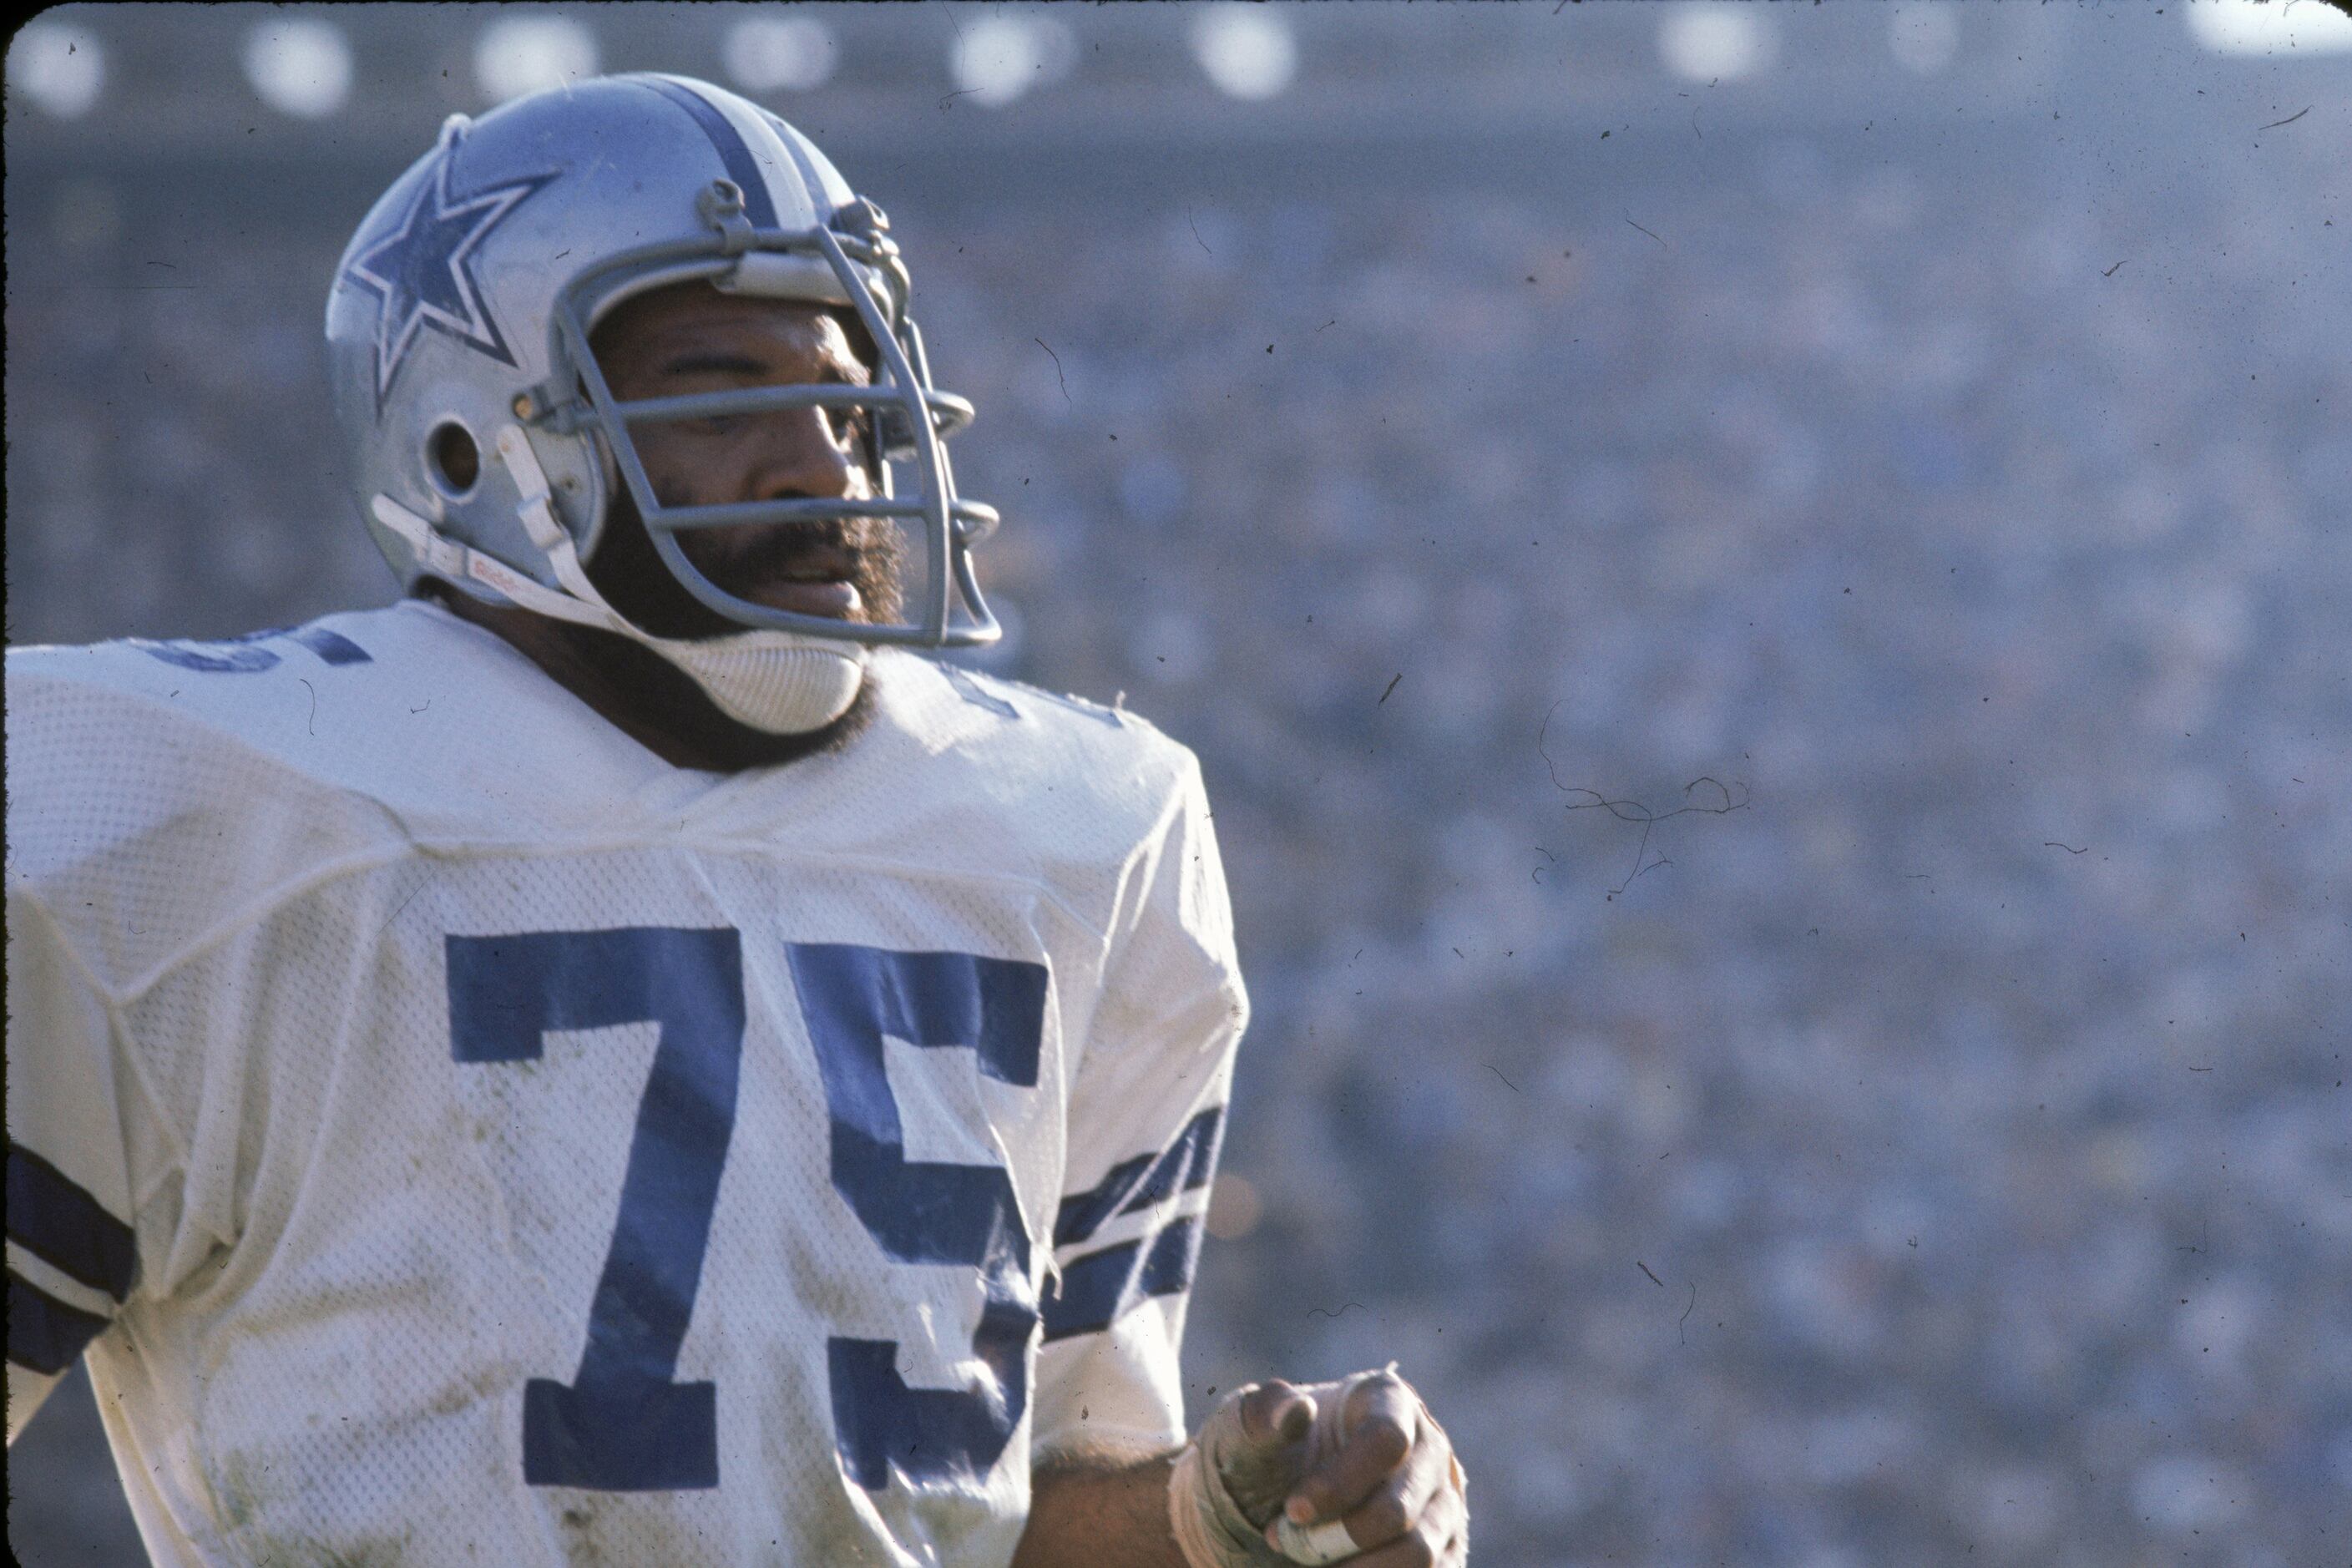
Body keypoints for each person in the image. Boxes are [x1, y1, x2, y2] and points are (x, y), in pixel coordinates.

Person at [4, 74, 1466, 1566]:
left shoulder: (1090, 830)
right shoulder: (176, 805)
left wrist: (1228, 1518)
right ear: (468, 451)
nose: (823, 466)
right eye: (720, 399)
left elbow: (1016, 1513)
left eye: (843, 399)